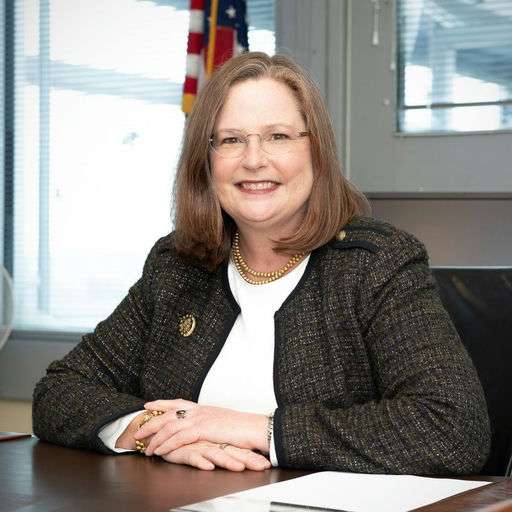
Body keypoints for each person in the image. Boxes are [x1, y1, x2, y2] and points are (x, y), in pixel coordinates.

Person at [33, 52, 490, 474]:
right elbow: (59, 392)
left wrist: (256, 429)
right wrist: (154, 433)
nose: (254, 160)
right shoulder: (177, 265)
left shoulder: (375, 265)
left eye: (278, 136)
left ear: (316, 151)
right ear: (206, 162)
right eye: (231, 140)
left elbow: (454, 429)